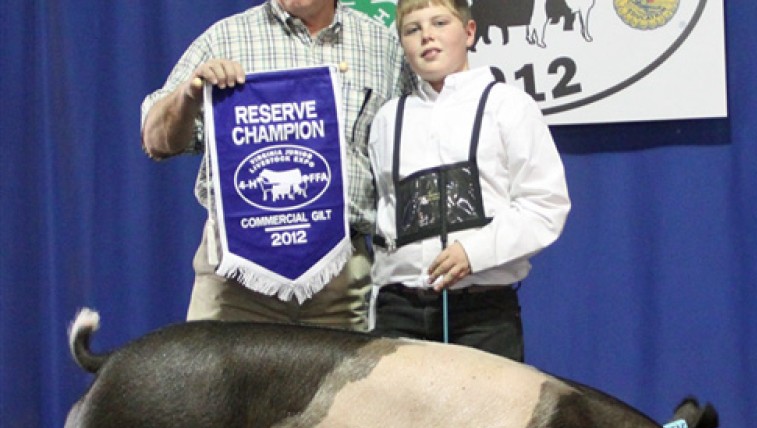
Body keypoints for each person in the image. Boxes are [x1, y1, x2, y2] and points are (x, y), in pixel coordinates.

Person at [141, 1, 414, 330]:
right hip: (235, 283)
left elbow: (417, 141)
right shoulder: (225, 38)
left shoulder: (383, 48)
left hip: (338, 283)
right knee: (218, 383)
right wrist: (189, 94)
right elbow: (156, 141)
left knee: (344, 383)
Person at [367, 0, 570, 361]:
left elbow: (544, 205)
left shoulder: (509, 106)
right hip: (398, 312)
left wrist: (473, 252)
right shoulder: (387, 119)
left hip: (482, 313)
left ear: (470, 32)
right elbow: (385, 213)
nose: (427, 35)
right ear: (402, 45)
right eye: (412, 29)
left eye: (440, 22)